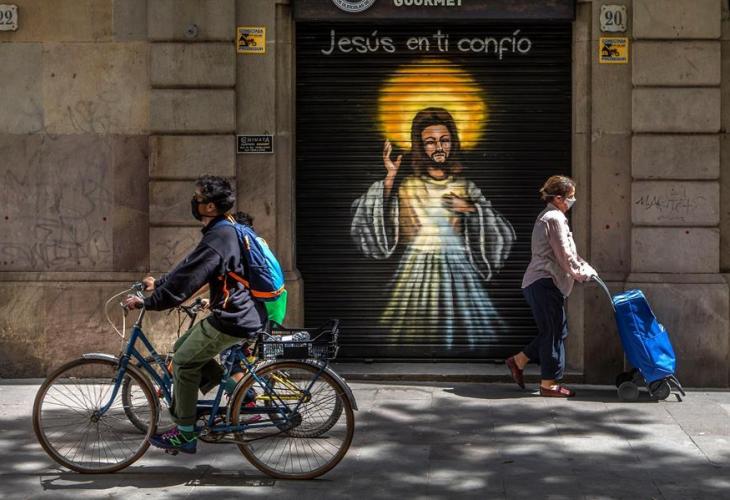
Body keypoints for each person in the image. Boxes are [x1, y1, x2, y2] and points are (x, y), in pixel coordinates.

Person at [122, 176, 267, 453]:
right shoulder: (223, 229)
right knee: (181, 349)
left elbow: (189, 277)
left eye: (197, 197)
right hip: (238, 313)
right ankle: (235, 395)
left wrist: (150, 303)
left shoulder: (220, 235)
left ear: (210, 206)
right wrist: (160, 284)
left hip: (233, 317)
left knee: (184, 363)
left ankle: (185, 432)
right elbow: (188, 266)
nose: (193, 201)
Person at [351, 107, 515, 345]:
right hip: (415, 270)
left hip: (459, 271)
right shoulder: (408, 186)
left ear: (453, 143)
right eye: (430, 142)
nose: (439, 147)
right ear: (420, 146)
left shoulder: (465, 186)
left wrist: (470, 208)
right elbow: (372, 220)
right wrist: (390, 177)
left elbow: (499, 228)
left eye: (444, 140)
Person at [505, 175, 597, 397]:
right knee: (553, 333)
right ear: (558, 198)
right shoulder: (554, 218)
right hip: (543, 282)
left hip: (543, 283)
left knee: (556, 330)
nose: (573, 200)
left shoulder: (551, 216)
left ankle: (518, 361)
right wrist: (582, 274)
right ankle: (548, 384)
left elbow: (569, 254)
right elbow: (564, 255)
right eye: (571, 196)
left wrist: (586, 268)